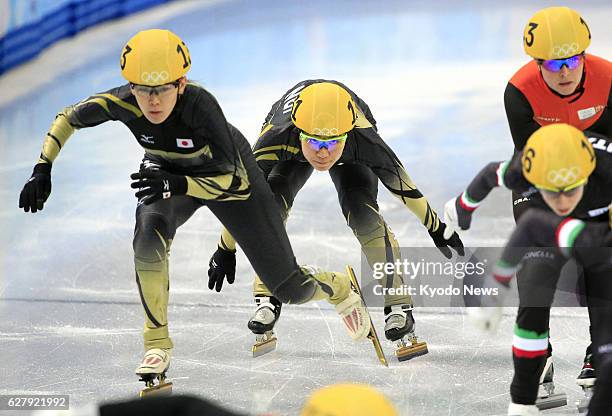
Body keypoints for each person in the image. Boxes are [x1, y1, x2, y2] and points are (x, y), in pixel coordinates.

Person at [18, 30, 372, 391]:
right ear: (130, 86)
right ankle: (156, 344)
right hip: (166, 174)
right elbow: (69, 117)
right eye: (143, 89)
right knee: (147, 234)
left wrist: (205, 220)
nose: (152, 101)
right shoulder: (122, 102)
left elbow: (231, 184)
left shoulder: (202, 108)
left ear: (182, 83)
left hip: (227, 176)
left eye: (163, 89)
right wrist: (43, 166)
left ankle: (338, 287)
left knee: (290, 289)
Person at [207, 80, 464, 359]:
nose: (323, 152)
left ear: (346, 136)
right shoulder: (276, 137)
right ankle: (267, 295)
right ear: (299, 134)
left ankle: (398, 306)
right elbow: (243, 198)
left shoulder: (362, 139)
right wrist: (225, 247)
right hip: (290, 151)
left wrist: (436, 227)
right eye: (315, 142)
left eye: (332, 144)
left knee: (363, 212)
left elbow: (405, 188)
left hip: (346, 150)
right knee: (271, 204)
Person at [444, 123, 612, 415]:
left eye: (570, 190)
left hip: (599, 229)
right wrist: (462, 206)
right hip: (576, 230)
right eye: (553, 191)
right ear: (536, 181)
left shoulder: (608, 168)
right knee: (534, 294)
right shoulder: (527, 168)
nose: (562, 201)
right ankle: (521, 401)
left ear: (588, 175)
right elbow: (491, 179)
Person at [503, 5, 612, 390]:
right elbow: (538, 166)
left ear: (583, 55)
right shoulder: (519, 93)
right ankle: (539, 350)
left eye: (570, 60)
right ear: (536, 63)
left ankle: (600, 349)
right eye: (551, 64)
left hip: (600, 173)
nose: (563, 71)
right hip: (543, 176)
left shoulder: (611, 80)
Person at [485, 211, 612, 416]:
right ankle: (539, 354)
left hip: (591, 190)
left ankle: (601, 349)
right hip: (538, 191)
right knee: (533, 250)